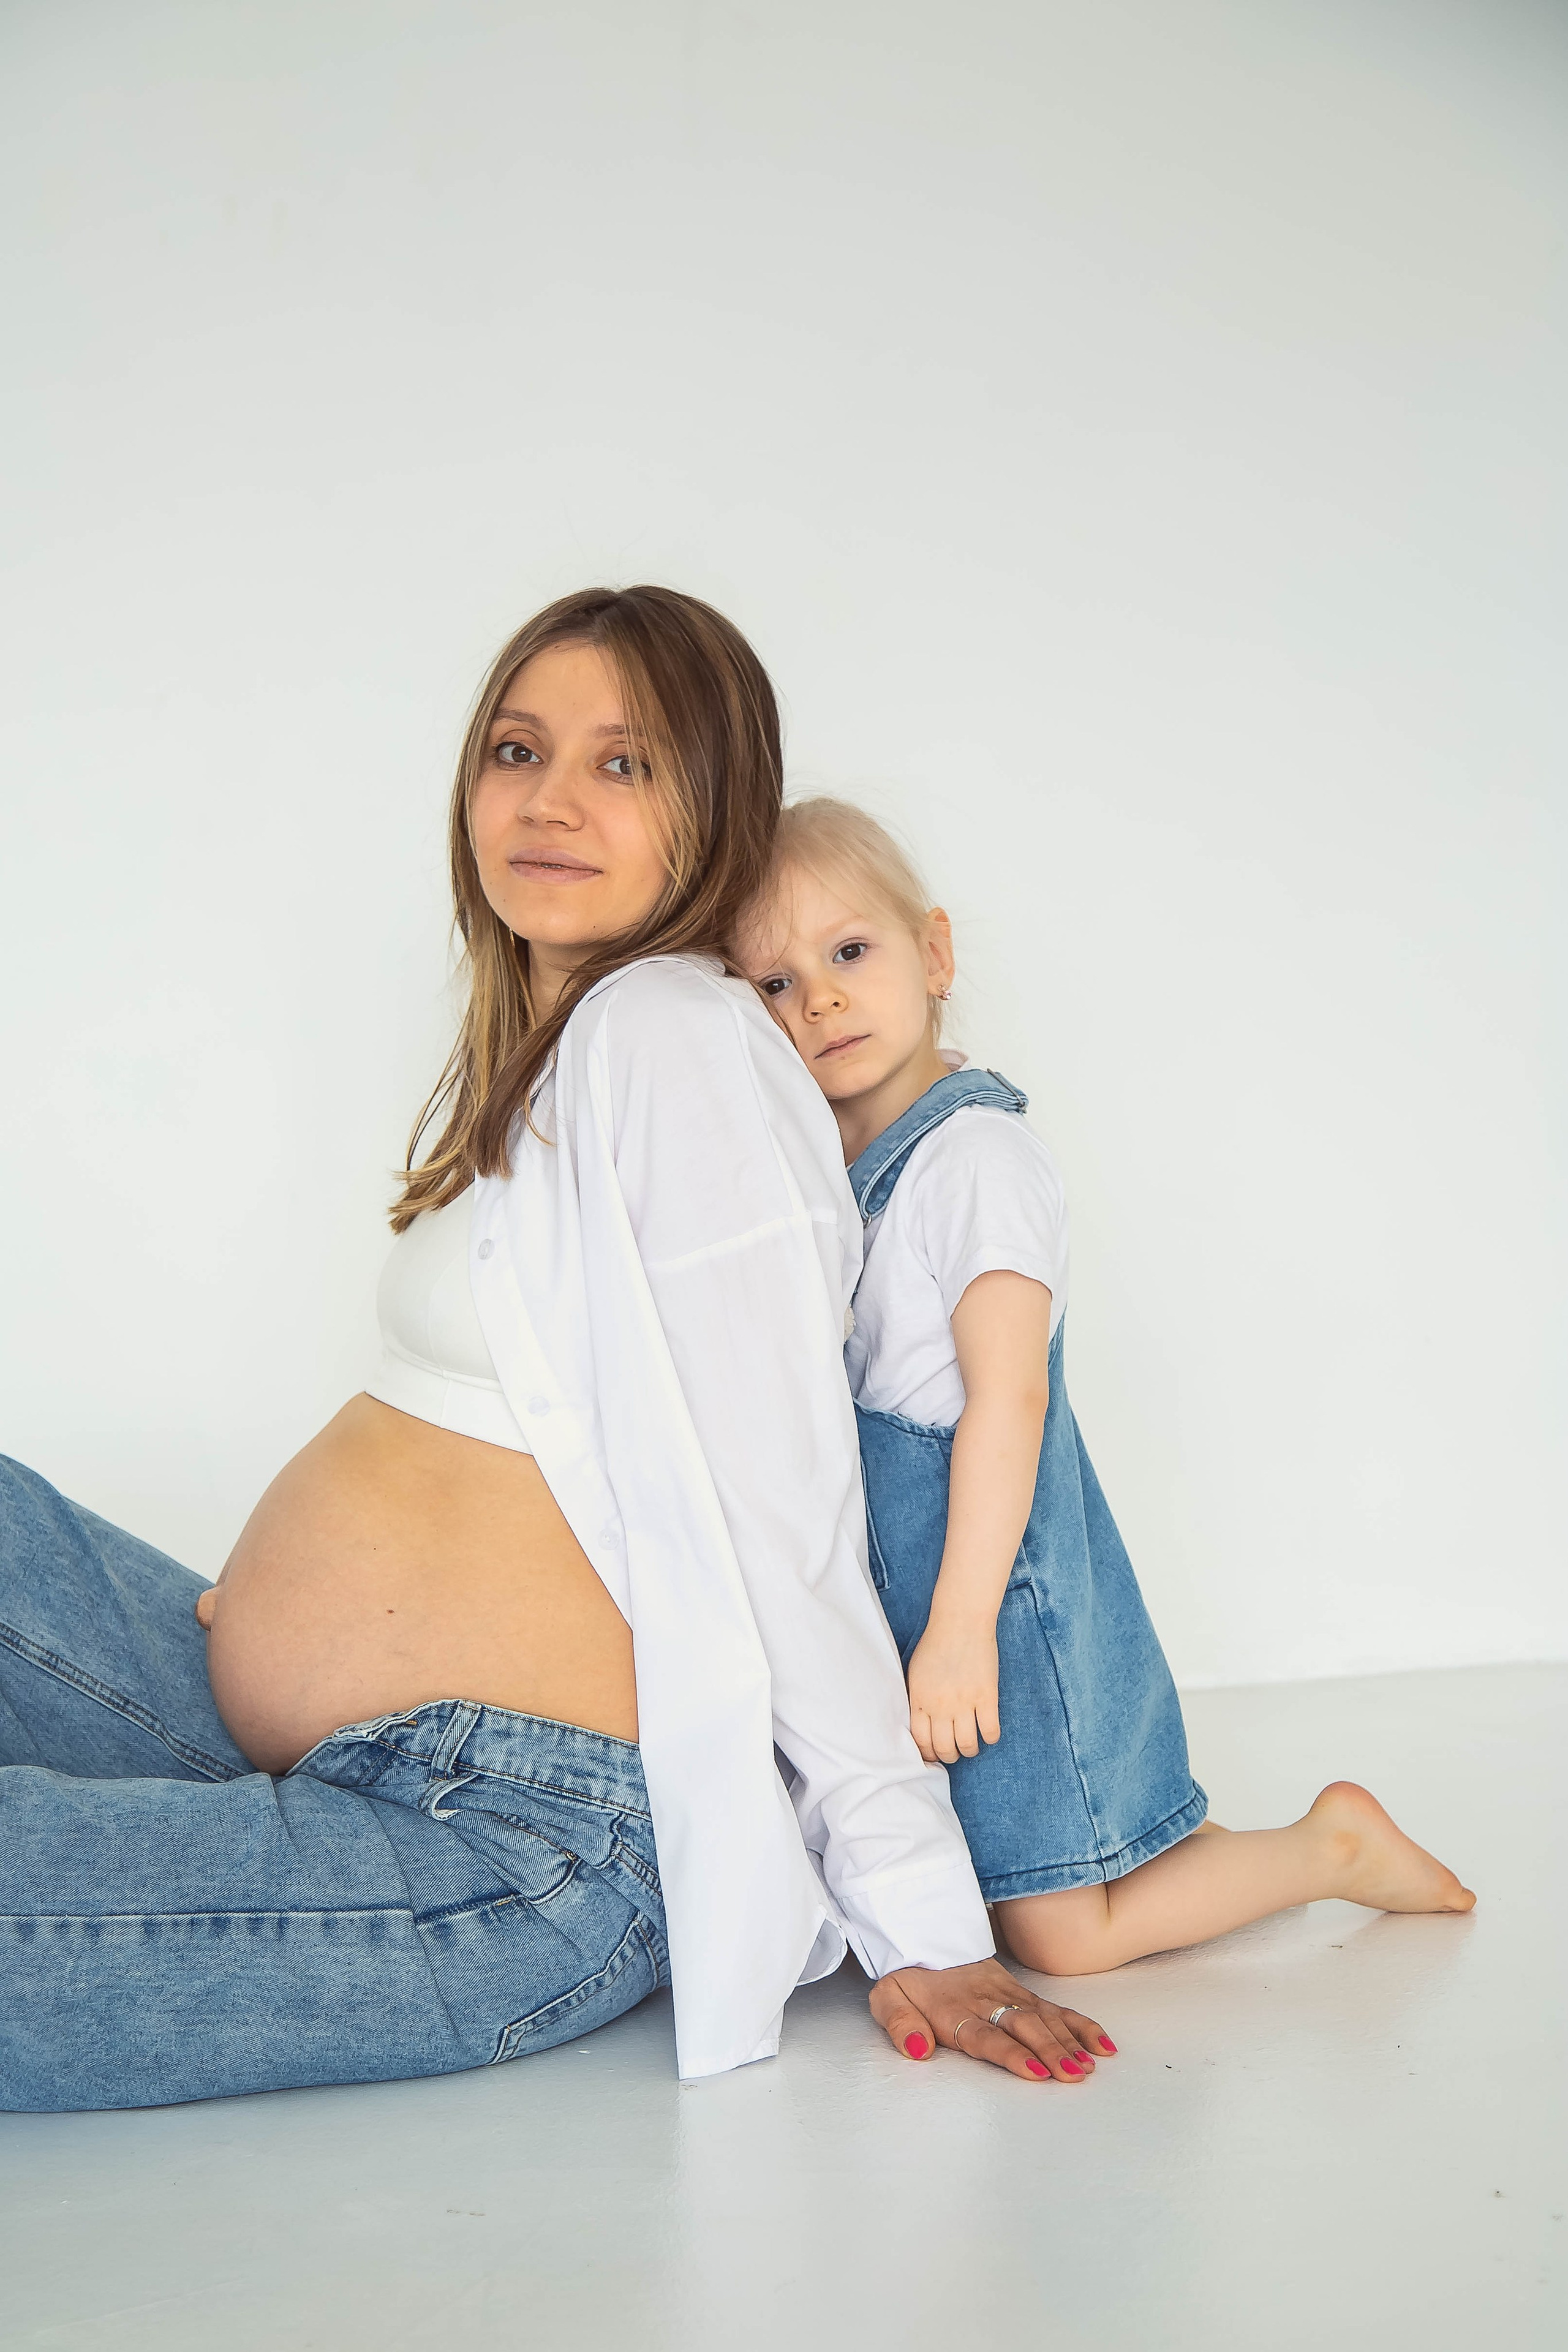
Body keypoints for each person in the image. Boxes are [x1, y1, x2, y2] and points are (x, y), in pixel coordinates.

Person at [0, 587, 1113, 2113]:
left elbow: (781, 1499)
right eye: (518, 749)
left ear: (715, 811)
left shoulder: (678, 1037)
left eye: (625, 764)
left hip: (523, 1841)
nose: (550, 800)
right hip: (335, 1741)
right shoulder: (560, 1059)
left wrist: (918, 1904)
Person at [737, 797, 1475, 1973]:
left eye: (849, 952)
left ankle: (1331, 1851)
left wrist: (966, 1627)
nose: (818, 999)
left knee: (1057, 1932)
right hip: (921, 1586)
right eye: (773, 984)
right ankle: (1229, 1859)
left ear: (932, 954)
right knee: (1027, 1857)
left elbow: (1010, 1398)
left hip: (999, 1593)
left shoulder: (973, 1160)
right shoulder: (842, 1174)